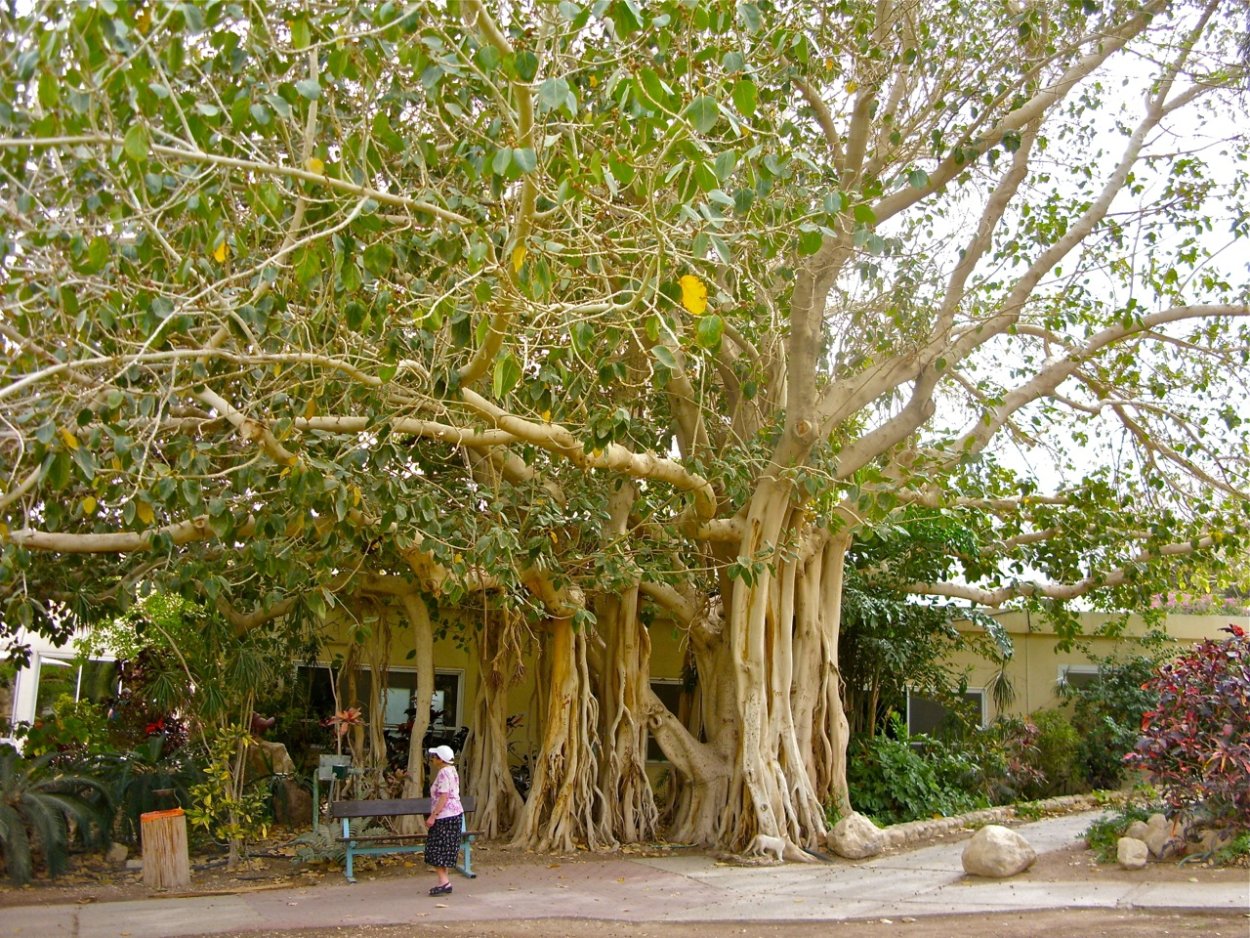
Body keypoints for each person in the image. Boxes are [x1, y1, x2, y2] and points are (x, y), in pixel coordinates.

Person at [424, 744, 463, 896]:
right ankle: (443, 881)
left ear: (440, 759)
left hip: (445, 816)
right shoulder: (452, 771)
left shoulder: (443, 774)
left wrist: (433, 816)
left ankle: (445, 882)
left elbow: (444, 796)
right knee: (444, 849)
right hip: (455, 814)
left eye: (434, 757)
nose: (432, 759)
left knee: (435, 850)